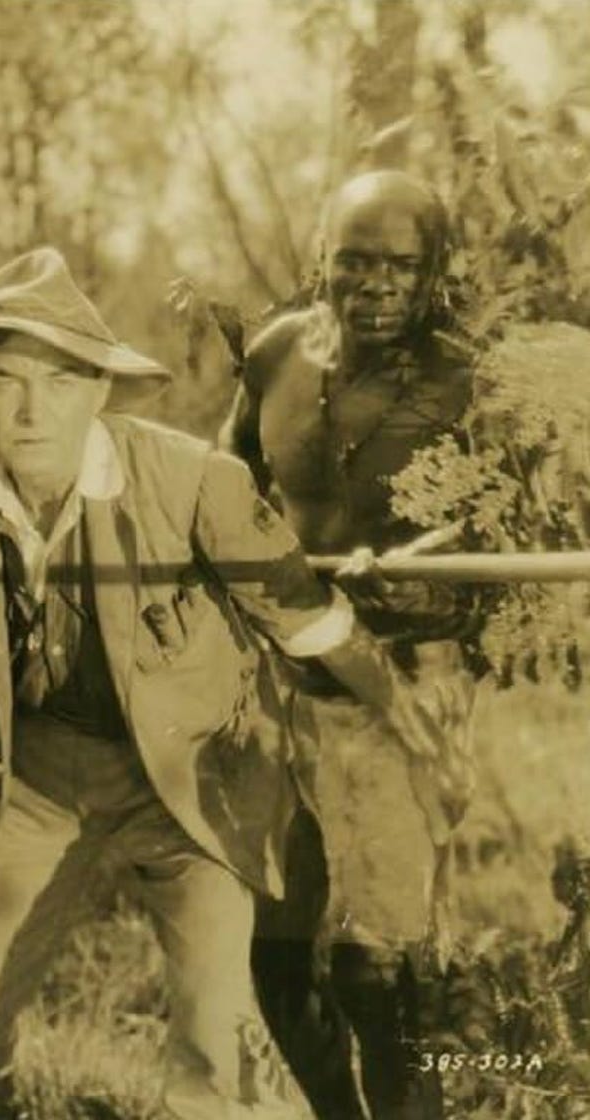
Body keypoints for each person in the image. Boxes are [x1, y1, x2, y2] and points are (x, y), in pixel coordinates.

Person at [0, 247, 455, 1120]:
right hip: (33, 774)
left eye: (59, 381)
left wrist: (408, 718)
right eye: (5, 380)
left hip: (189, 777)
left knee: (214, 1027)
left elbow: (309, 622)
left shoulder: (194, 481)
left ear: (99, 389)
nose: (31, 408)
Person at [221, 170, 480, 1119]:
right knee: (277, 957)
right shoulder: (277, 353)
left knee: (381, 968)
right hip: (282, 679)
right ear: (318, 260)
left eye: (399, 267)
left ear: (434, 271)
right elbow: (228, 492)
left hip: (407, 685)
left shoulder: (469, 379)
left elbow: (514, 540)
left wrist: (452, 593)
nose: (373, 286)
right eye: (353, 261)